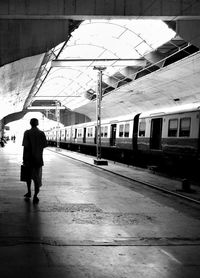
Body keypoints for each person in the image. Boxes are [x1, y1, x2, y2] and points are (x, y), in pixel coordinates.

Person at [22, 118, 47, 203]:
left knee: (28, 177)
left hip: (29, 159)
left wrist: (24, 159)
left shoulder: (27, 132)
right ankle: (35, 196)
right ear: (38, 124)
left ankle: (29, 192)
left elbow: (25, 147)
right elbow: (44, 145)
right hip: (38, 160)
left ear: (30, 123)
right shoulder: (41, 133)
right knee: (37, 178)